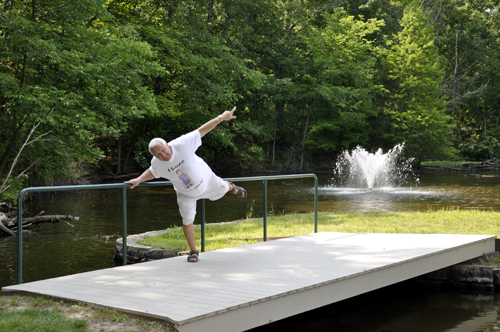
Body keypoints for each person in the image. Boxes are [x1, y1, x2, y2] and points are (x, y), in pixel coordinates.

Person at [125, 106, 247, 263]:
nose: (162, 155)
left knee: (223, 187)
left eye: (163, 150)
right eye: (158, 154)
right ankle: (194, 251)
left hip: (207, 181)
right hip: (186, 194)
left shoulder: (182, 144)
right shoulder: (157, 162)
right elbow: (152, 171)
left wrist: (221, 117)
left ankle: (232, 187)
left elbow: (202, 130)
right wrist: (139, 179)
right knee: (187, 219)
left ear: (167, 145)